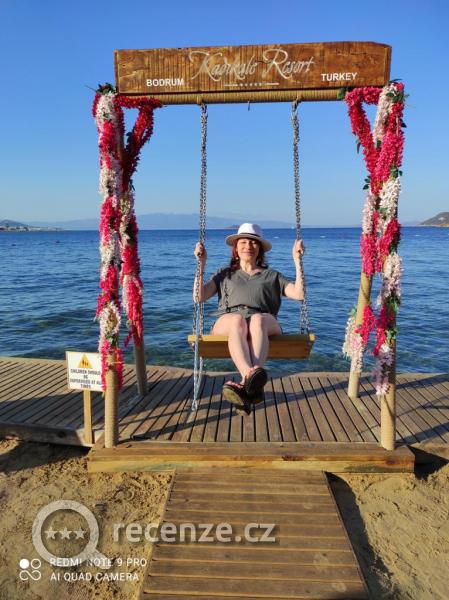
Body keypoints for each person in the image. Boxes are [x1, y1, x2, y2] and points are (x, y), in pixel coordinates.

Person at [193, 223, 305, 415]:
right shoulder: (224, 274)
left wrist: (297, 260)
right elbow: (199, 297)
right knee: (237, 319)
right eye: (243, 242)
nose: (248, 246)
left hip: (263, 321)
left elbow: (299, 294)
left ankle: (246, 383)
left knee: (257, 320)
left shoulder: (272, 276)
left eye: (253, 242)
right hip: (230, 321)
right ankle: (250, 380)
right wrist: (201, 264)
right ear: (236, 248)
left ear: (260, 248)